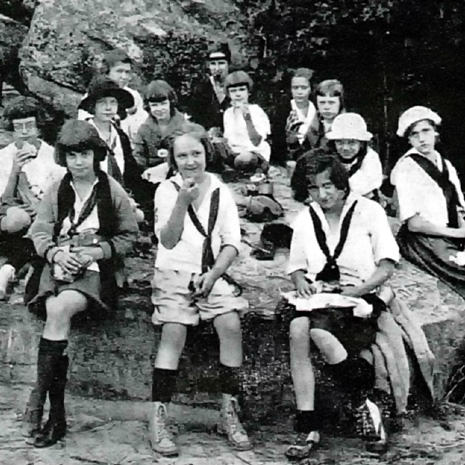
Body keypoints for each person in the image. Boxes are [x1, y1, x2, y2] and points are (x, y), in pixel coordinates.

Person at [22, 119, 138, 448]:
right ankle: (54, 415)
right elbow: (40, 230)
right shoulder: (58, 187)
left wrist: (95, 252)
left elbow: (130, 236)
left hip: (94, 270)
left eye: (85, 154)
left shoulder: (111, 188)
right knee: (54, 307)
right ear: (63, 157)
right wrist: (56, 252)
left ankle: (40, 404)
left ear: (96, 154)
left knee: (59, 308)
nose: (78, 162)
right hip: (59, 264)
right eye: (71, 155)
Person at [285, 151, 399, 459]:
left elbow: (387, 265)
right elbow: (296, 266)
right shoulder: (306, 218)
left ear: (341, 184)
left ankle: (364, 402)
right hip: (321, 298)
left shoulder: (369, 211)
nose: (322, 195)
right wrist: (300, 282)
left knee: (316, 333)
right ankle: (308, 425)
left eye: (328, 186)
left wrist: (357, 290)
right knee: (297, 327)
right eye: (312, 188)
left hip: (360, 297)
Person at [149, 123, 250, 457]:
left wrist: (214, 274)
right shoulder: (166, 190)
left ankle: (228, 410)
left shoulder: (221, 191)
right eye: (182, 156)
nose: (190, 161)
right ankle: (159, 415)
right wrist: (182, 200)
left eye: (196, 153)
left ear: (207, 153)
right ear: (173, 159)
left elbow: (232, 243)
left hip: (210, 272)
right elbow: (167, 239)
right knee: (174, 330)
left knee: (230, 324)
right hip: (174, 271)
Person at [390, 105, 465, 298]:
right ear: (409, 139)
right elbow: (414, 224)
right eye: (415, 134)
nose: (422, 139)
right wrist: (457, 233)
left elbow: (457, 205)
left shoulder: (445, 164)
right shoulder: (406, 168)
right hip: (424, 238)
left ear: (435, 132)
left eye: (426, 131)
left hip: (452, 232)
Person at [0, 96, 66, 298]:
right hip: (12, 213)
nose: (25, 132)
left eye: (29, 125)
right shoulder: (4, 155)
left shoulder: (51, 155)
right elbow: (5, 199)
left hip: (44, 212)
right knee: (19, 220)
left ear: (38, 128)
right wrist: (16, 168)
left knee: (44, 226)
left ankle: (9, 269)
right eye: (19, 127)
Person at [79, 75, 144, 206]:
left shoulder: (120, 136)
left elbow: (132, 176)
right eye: (102, 103)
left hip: (122, 197)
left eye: (113, 102)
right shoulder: (83, 135)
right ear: (93, 106)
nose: (108, 108)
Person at [78, 49, 148, 146]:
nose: (124, 77)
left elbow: (142, 130)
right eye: (119, 71)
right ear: (106, 72)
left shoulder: (133, 96)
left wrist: (133, 113)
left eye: (127, 72)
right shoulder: (92, 98)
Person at [291, 79, 345, 202]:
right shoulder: (316, 124)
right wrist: (293, 142)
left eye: (331, 103)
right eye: (322, 103)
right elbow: (305, 153)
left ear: (340, 103)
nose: (326, 107)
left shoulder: (345, 125)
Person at [223, 70, 271, 173]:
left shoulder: (256, 110)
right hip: (234, 152)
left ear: (248, 92)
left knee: (245, 159)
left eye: (241, 90)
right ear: (228, 94)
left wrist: (247, 119)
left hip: (253, 152)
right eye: (233, 91)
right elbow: (229, 140)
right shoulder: (228, 113)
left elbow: (257, 141)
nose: (238, 94)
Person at [326, 112, 383, 198]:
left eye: (351, 142)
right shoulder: (327, 156)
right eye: (340, 142)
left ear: (361, 143)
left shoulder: (370, 157)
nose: (345, 148)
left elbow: (363, 187)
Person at [272, 68, 317, 163]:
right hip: (289, 158)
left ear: (311, 89)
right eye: (295, 88)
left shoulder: (316, 108)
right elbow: (277, 138)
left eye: (304, 88)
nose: (299, 92)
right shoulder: (284, 109)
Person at [188, 42, 231, 133]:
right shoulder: (201, 88)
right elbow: (196, 118)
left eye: (221, 63)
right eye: (213, 64)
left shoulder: (237, 86)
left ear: (228, 64)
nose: (217, 68)